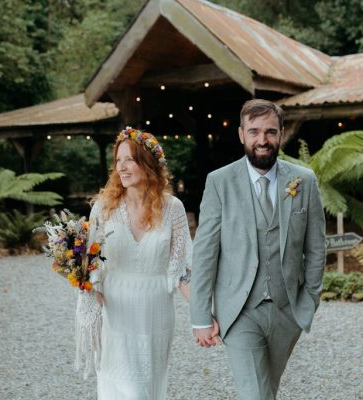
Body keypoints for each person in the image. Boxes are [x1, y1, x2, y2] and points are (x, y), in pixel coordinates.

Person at [190, 99, 326, 399]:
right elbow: (204, 253)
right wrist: (200, 315)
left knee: (266, 390)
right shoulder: (219, 182)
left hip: (287, 311)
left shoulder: (304, 181)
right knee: (256, 394)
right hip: (239, 312)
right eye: (254, 132)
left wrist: (309, 300)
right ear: (241, 134)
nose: (262, 140)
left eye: (270, 132)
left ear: (281, 134)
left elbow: (316, 248)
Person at [85, 127, 198, 399]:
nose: (121, 167)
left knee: (147, 390)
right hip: (116, 314)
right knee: (125, 391)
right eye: (118, 160)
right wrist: (91, 290)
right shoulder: (103, 208)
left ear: (148, 164)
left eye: (129, 160)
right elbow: (89, 266)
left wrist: (205, 313)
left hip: (155, 315)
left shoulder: (173, 209)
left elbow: (184, 270)